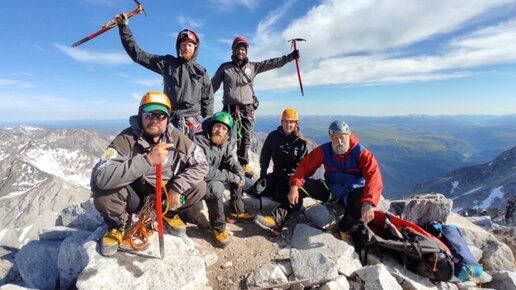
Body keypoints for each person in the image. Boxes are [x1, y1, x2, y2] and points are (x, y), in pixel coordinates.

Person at [91, 91, 209, 256]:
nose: (155, 120)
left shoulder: (175, 136)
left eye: (161, 115)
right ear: (141, 116)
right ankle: (118, 225)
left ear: (167, 119)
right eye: (149, 114)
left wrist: (177, 188)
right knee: (103, 192)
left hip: (163, 193)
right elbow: (101, 176)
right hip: (135, 194)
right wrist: (147, 160)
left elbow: (202, 163)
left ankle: (167, 212)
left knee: (200, 186)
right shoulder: (126, 139)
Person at [255, 120, 383, 233]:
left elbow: (374, 177)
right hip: (331, 191)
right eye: (335, 137)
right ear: (330, 138)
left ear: (349, 136)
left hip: (352, 194)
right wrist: (294, 186)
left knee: (361, 200)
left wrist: (368, 203)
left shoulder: (361, 153)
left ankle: (345, 229)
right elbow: (304, 166)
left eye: (342, 137)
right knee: (299, 186)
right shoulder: (325, 150)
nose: (339, 141)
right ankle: (277, 218)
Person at [211, 36, 299, 176]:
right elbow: (212, 87)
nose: (241, 51)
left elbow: (272, 63)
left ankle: (242, 165)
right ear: (233, 50)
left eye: (243, 48)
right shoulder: (225, 68)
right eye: (238, 48)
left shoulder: (253, 67)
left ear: (246, 51)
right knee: (223, 135)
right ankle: (219, 161)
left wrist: (290, 57)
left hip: (247, 108)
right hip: (229, 107)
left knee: (245, 138)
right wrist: (202, 98)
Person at [116, 14, 213, 138]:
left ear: (195, 48)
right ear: (178, 47)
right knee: (165, 154)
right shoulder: (167, 63)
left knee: (195, 155)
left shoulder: (201, 72)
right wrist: (124, 28)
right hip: (171, 119)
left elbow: (208, 100)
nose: (186, 47)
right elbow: (138, 55)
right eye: (183, 44)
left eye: (190, 45)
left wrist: (206, 123)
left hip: (195, 123)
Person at [193, 111, 255, 248]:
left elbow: (229, 159)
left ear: (227, 132)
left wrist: (238, 172)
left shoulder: (223, 142)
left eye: (224, 128)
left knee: (238, 176)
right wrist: (231, 176)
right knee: (216, 187)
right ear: (210, 126)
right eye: (217, 126)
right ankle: (218, 227)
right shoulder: (199, 142)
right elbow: (204, 171)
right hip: (196, 181)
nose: (219, 130)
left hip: (211, 176)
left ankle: (236, 211)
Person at [252, 108, 308, 232]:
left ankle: (276, 220)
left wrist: (294, 184)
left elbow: (303, 167)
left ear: (296, 124)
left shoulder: (300, 142)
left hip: (291, 178)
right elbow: (265, 155)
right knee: (257, 190)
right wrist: (263, 174)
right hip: (276, 174)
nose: (289, 125)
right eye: (286, 121)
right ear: (282, 122)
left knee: (293, 199)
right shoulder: (273, 136)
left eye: (292, 122)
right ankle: (279, 196)